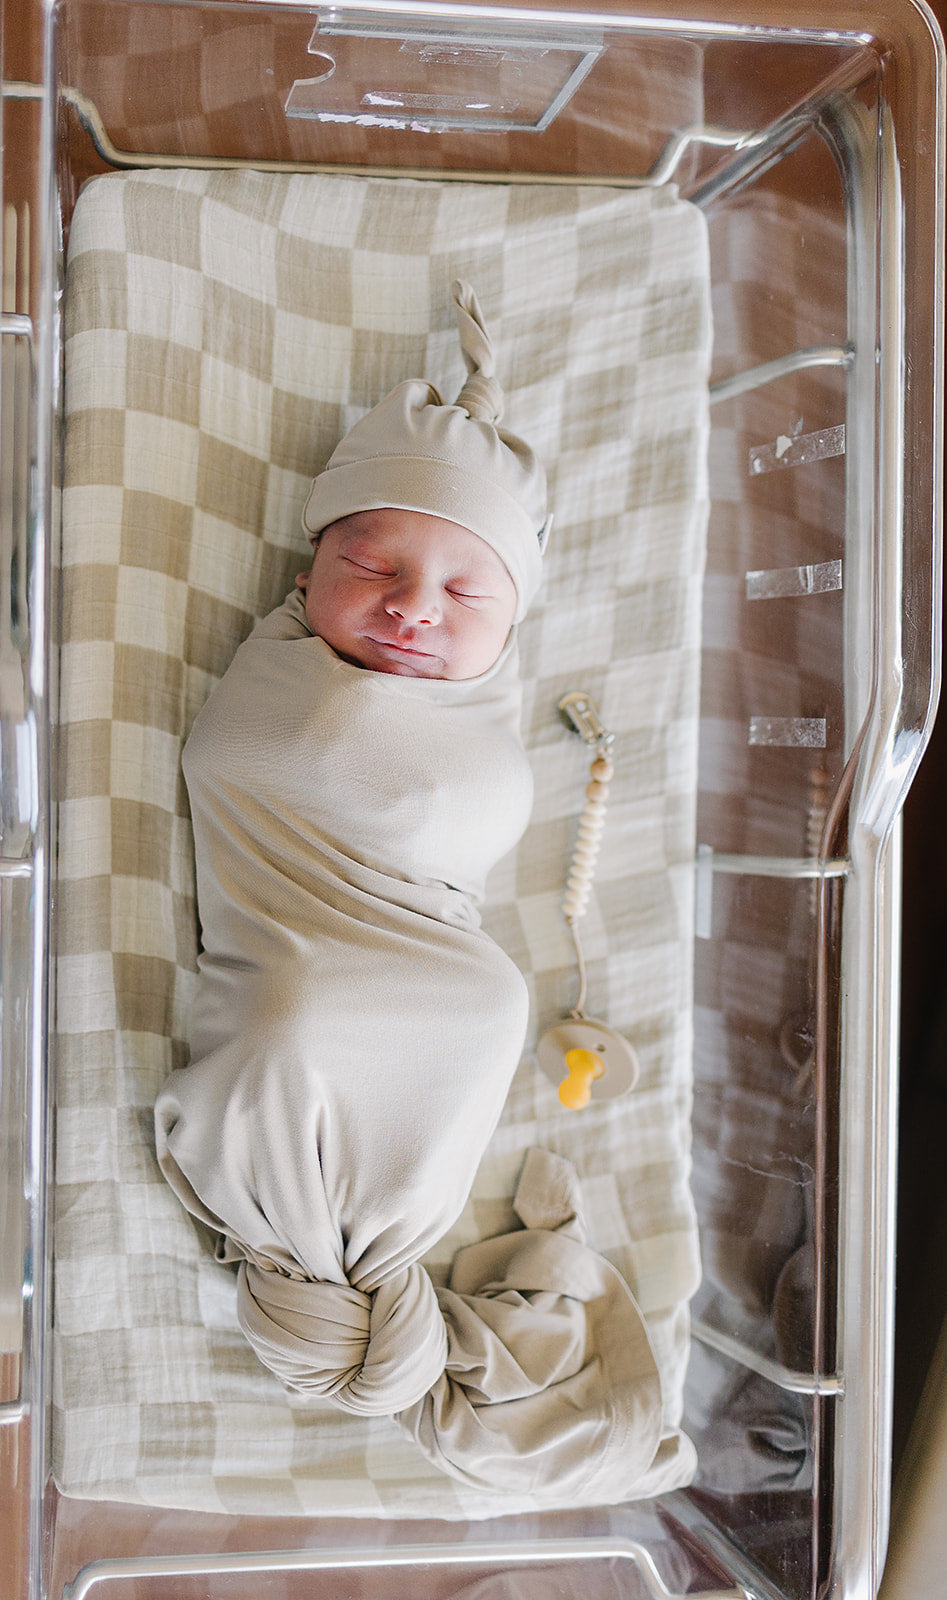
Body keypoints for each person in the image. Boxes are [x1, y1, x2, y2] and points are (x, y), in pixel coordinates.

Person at [154, 283, 672, 1501]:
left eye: (463, 595)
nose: (408, 605)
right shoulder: (280, 669)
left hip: (440, 965)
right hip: (300, 942)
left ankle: (369, 1255)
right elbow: (239, 755)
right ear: (307, 565)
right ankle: (316, 1247)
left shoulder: (485, 712)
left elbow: (478, 803)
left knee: (484, 1003)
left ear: (508, 634)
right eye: (370, 562)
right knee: (284, 1018)